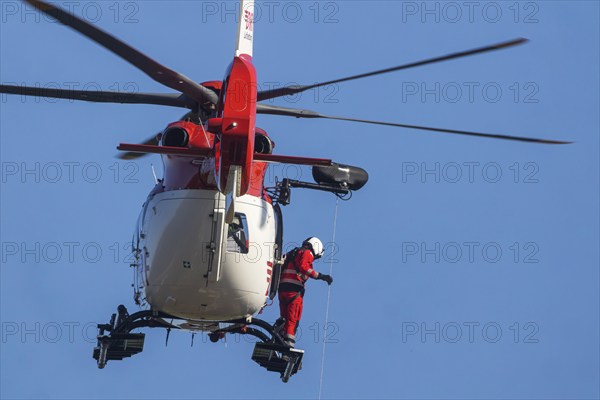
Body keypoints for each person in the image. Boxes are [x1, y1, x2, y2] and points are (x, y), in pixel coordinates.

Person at [276, 237, 333, 347]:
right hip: (293, 292)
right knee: (293, 320)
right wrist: (322, 276)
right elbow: (304, 267)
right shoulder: (308, 253)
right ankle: (288, 346)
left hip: (282, 290)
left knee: (284, 319)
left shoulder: (292, 253)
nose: (313, 259)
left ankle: (278, 338)